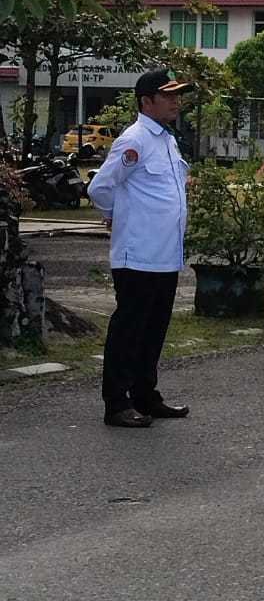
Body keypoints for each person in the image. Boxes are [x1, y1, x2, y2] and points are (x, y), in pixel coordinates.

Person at [87, 68, 192, 428]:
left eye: (178, 95)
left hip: (164, 255)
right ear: (147, 101)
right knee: (129, 330)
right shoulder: (135, 140)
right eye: (168, 96)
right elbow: (100, 188)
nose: (176, 101)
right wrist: (115, 216)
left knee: (153, 330)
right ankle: (116, 403)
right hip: (138, 254)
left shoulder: (165, 139)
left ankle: (146, 396)